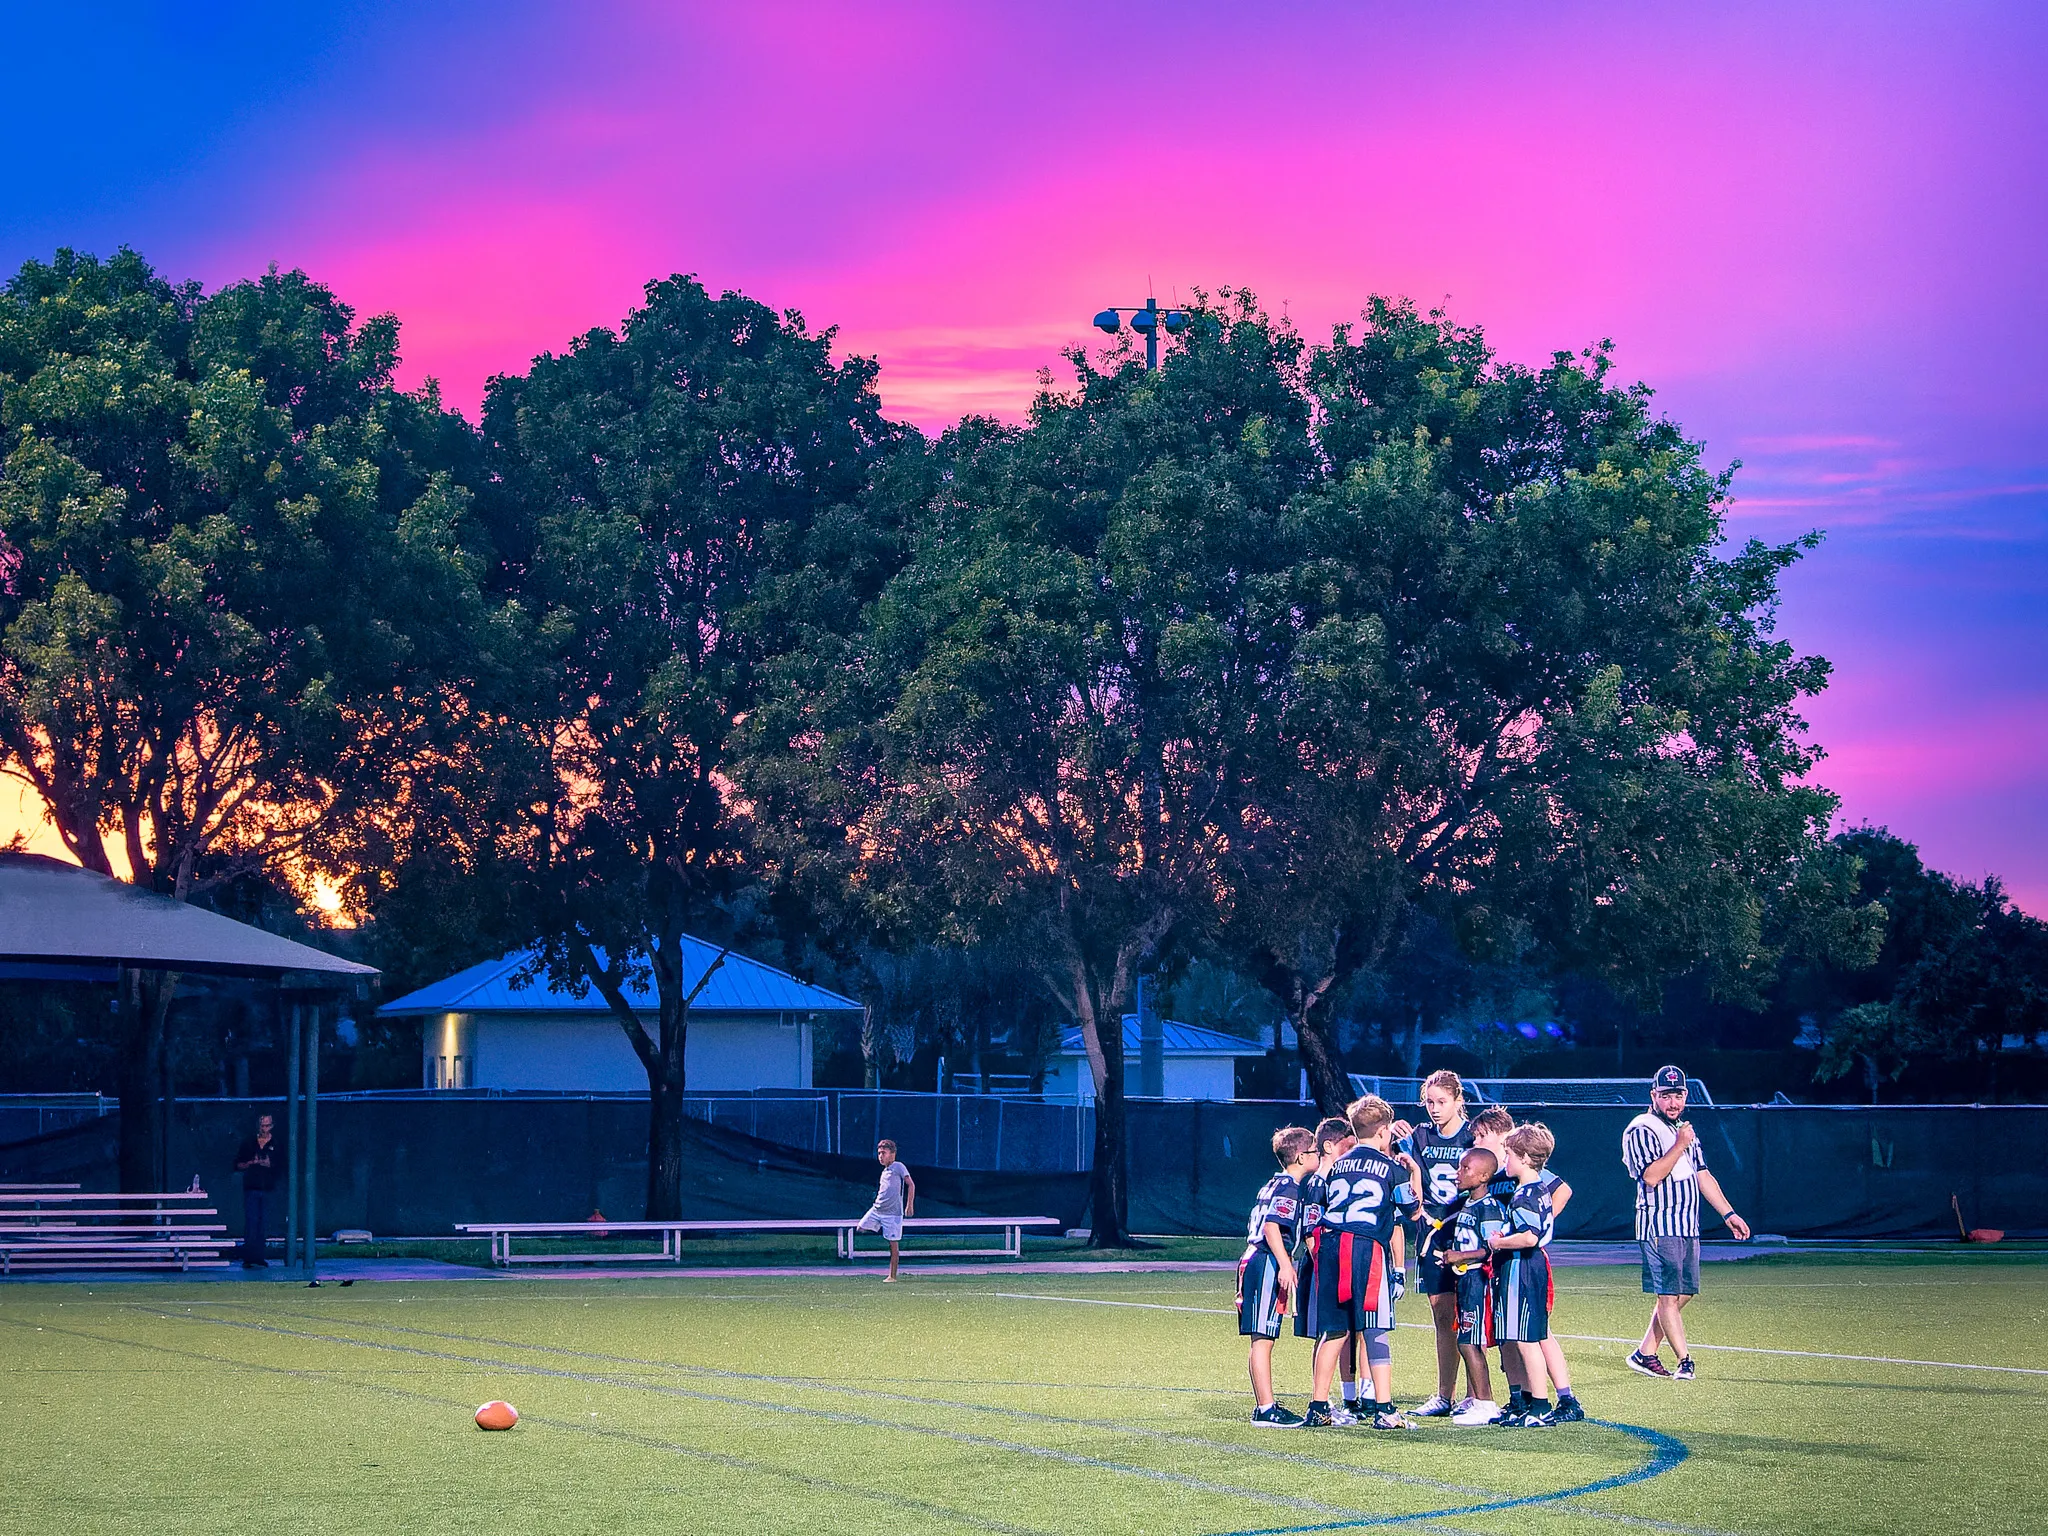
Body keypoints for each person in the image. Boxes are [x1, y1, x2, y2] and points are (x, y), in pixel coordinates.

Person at [1622, 1066, 1750, 1380]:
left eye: (1677, 1094)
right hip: (1659, 1223)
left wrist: (1728, 1214)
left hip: (1687, 1225)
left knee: (1684, 1291)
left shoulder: (1685, 1131)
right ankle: (1685, 1360)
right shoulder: (1642, 1128)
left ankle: (1645, 1352)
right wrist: (1679, 1143)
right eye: (1666, 1095)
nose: (1673, 1101)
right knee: (1667, 1294)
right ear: (1654, 1096)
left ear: (1685, 1096)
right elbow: (1651, 1176)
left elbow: (1702, 1175)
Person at [1303, 1095, 1420, 1430]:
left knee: (1335, 1329)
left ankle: (1319, 1406)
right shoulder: (1391, 1169)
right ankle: (1384, 1409)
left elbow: (1318, 1208)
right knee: (1375, 1326)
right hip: (1367, 1248)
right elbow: (1411, 1210)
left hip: (1332, 1245)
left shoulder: (1336, 1166)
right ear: (1383, 1131)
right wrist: (1411, 1172)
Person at [1394, 1069, 1477, 1419]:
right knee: (1443, 1317)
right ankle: (1445, 1395)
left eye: (1442, 1101)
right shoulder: (1419, 1137)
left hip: (1470, 1233)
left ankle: (1478, 1395)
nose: (1434, 1108)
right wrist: (1391, 1133)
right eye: (1429, 1102)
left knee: (1472, 1315)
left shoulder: (1475, 1136)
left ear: (1459, 1101)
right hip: (1433, 1235)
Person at [1240, 1126, 1319, 1426]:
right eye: (1312, 1151)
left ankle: (1266, 1404)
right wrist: (1286, 1265)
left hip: (1260, 1259)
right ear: (1300, 1157)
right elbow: (1272, 1227)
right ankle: (1265, 1408)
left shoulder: (1274, 1183)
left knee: (1264, 1336)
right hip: (1266, 1259)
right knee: (1263, 1338)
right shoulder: (1289, 1187)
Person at [1485, 1124, 1558, 1426]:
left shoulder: (1525, 1194)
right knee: (1521, 1336)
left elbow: (1529, 1237)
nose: (1506, 1162)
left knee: (1526, 1339)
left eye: (1510, 1156)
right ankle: (1529, 1401)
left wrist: (1499, 1241)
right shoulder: (1539, 1188)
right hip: (1530, 1266)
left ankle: (1539, 1405)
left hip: (1522, 1266)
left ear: (1526, 1158)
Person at [1294, 1118, 1365, 1419]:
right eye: (1347, 1146)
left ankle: (1345, 1400)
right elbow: (1311, 1232)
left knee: (1345, 1331)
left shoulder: (1336, 1179)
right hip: (1321, 1266)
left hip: (1336, 1264)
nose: (1351, 1152)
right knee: (1328, 1331)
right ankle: (1320, 1402)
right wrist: (1327, 1268)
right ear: (1329, 1146)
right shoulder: (1317, 1182)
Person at [1434, 1147, 1508, 1424]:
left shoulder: (1489, 1208)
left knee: (1470, 1342)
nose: (1458, 1173)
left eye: (1466, 1168)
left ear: (1485, 1176)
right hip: (1464, 1279)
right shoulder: (1467, 1203)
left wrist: (1459, 1256)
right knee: (1465, 1340)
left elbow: (1492, 1248)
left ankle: (1486, 1403)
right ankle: (1477, 1400)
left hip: (1477, 1280)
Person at [857, 1139, 916, 1281]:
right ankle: (880, 1229)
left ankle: (892, 1276)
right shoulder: (885, 1171)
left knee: (893, 1245)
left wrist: (909, 1204)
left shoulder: (898, 1166)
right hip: (877, 1210)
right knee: (860, 1228)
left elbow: (911, 1185)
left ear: (893, 1153)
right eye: (879, 1153)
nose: (880, 1156)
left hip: (892, 1214)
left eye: (883, 1153)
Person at [233, 1113, 282, 1269]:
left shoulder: (277, 1144)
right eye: (262, 1125)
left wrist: (268, 1164)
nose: (264, 1128)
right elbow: (237, 1165)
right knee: (251, 1223)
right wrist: (251, 1162)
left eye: (267, 1125)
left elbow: (281, 1166)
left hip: (268, 1189)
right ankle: (249, 1257)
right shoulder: (248, 1143)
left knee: (263, 1223)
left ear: (272, 1126)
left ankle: (260, 1257)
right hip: (251, 1188)